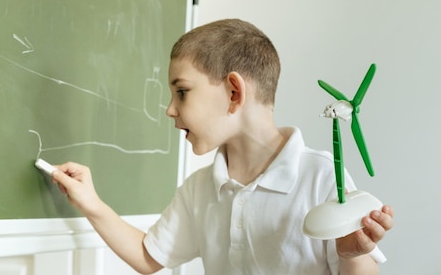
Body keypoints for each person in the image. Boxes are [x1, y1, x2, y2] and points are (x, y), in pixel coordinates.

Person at [52, 18, 394, 275]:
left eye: (182, 92)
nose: (170, 109)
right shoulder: (200, 189)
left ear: (234, 92)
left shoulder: (321, 176)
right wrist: (91, 203)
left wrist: (353, 254)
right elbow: (148, 255)